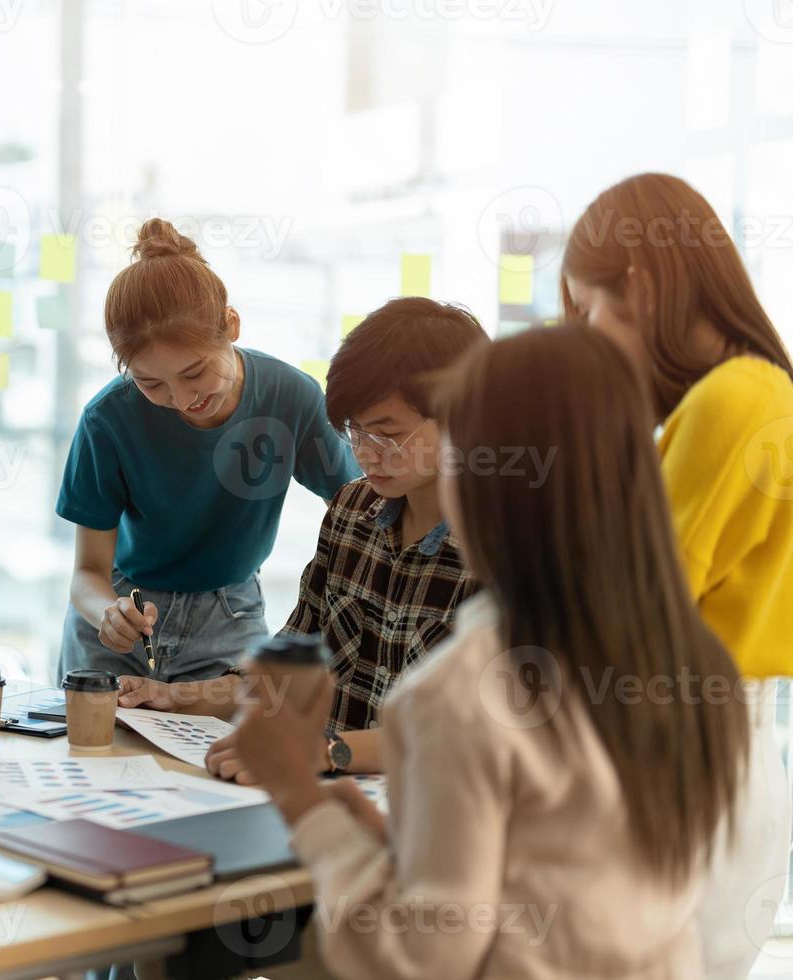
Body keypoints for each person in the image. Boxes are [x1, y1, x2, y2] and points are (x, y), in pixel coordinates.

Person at [235, 326, 750, 979]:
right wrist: (398, 846)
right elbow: (561, 874)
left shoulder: (460, 694)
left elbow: (416, 962)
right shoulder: (696, 661)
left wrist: (297, 795)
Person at [562, 171, 793, 979]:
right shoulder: (755, 392)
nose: (586, 334)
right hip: (719, 745)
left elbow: (629, 610)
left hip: (686, 753)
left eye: (589, 309)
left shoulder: (734, 400)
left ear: (643, 285)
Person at [121, 297, 485, 776]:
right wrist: (176, 696)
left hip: (438, 811)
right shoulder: (353, 511)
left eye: (386, 434)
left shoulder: (503, 546)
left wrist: (325, 753)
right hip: (326, 798)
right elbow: (290, 673)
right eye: (353, 431)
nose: (365, 453)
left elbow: (478, 732)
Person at [57, 218, 357, 686]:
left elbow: (355, 509)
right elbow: (87, 573)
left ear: (231, 325)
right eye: (151, 383)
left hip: (230, 618)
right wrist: (108, 615)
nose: (180, 398)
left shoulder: (291, 397)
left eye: (195, 373)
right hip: (123, 616)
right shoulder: (107, 419)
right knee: (98, 753)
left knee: (224, 755)